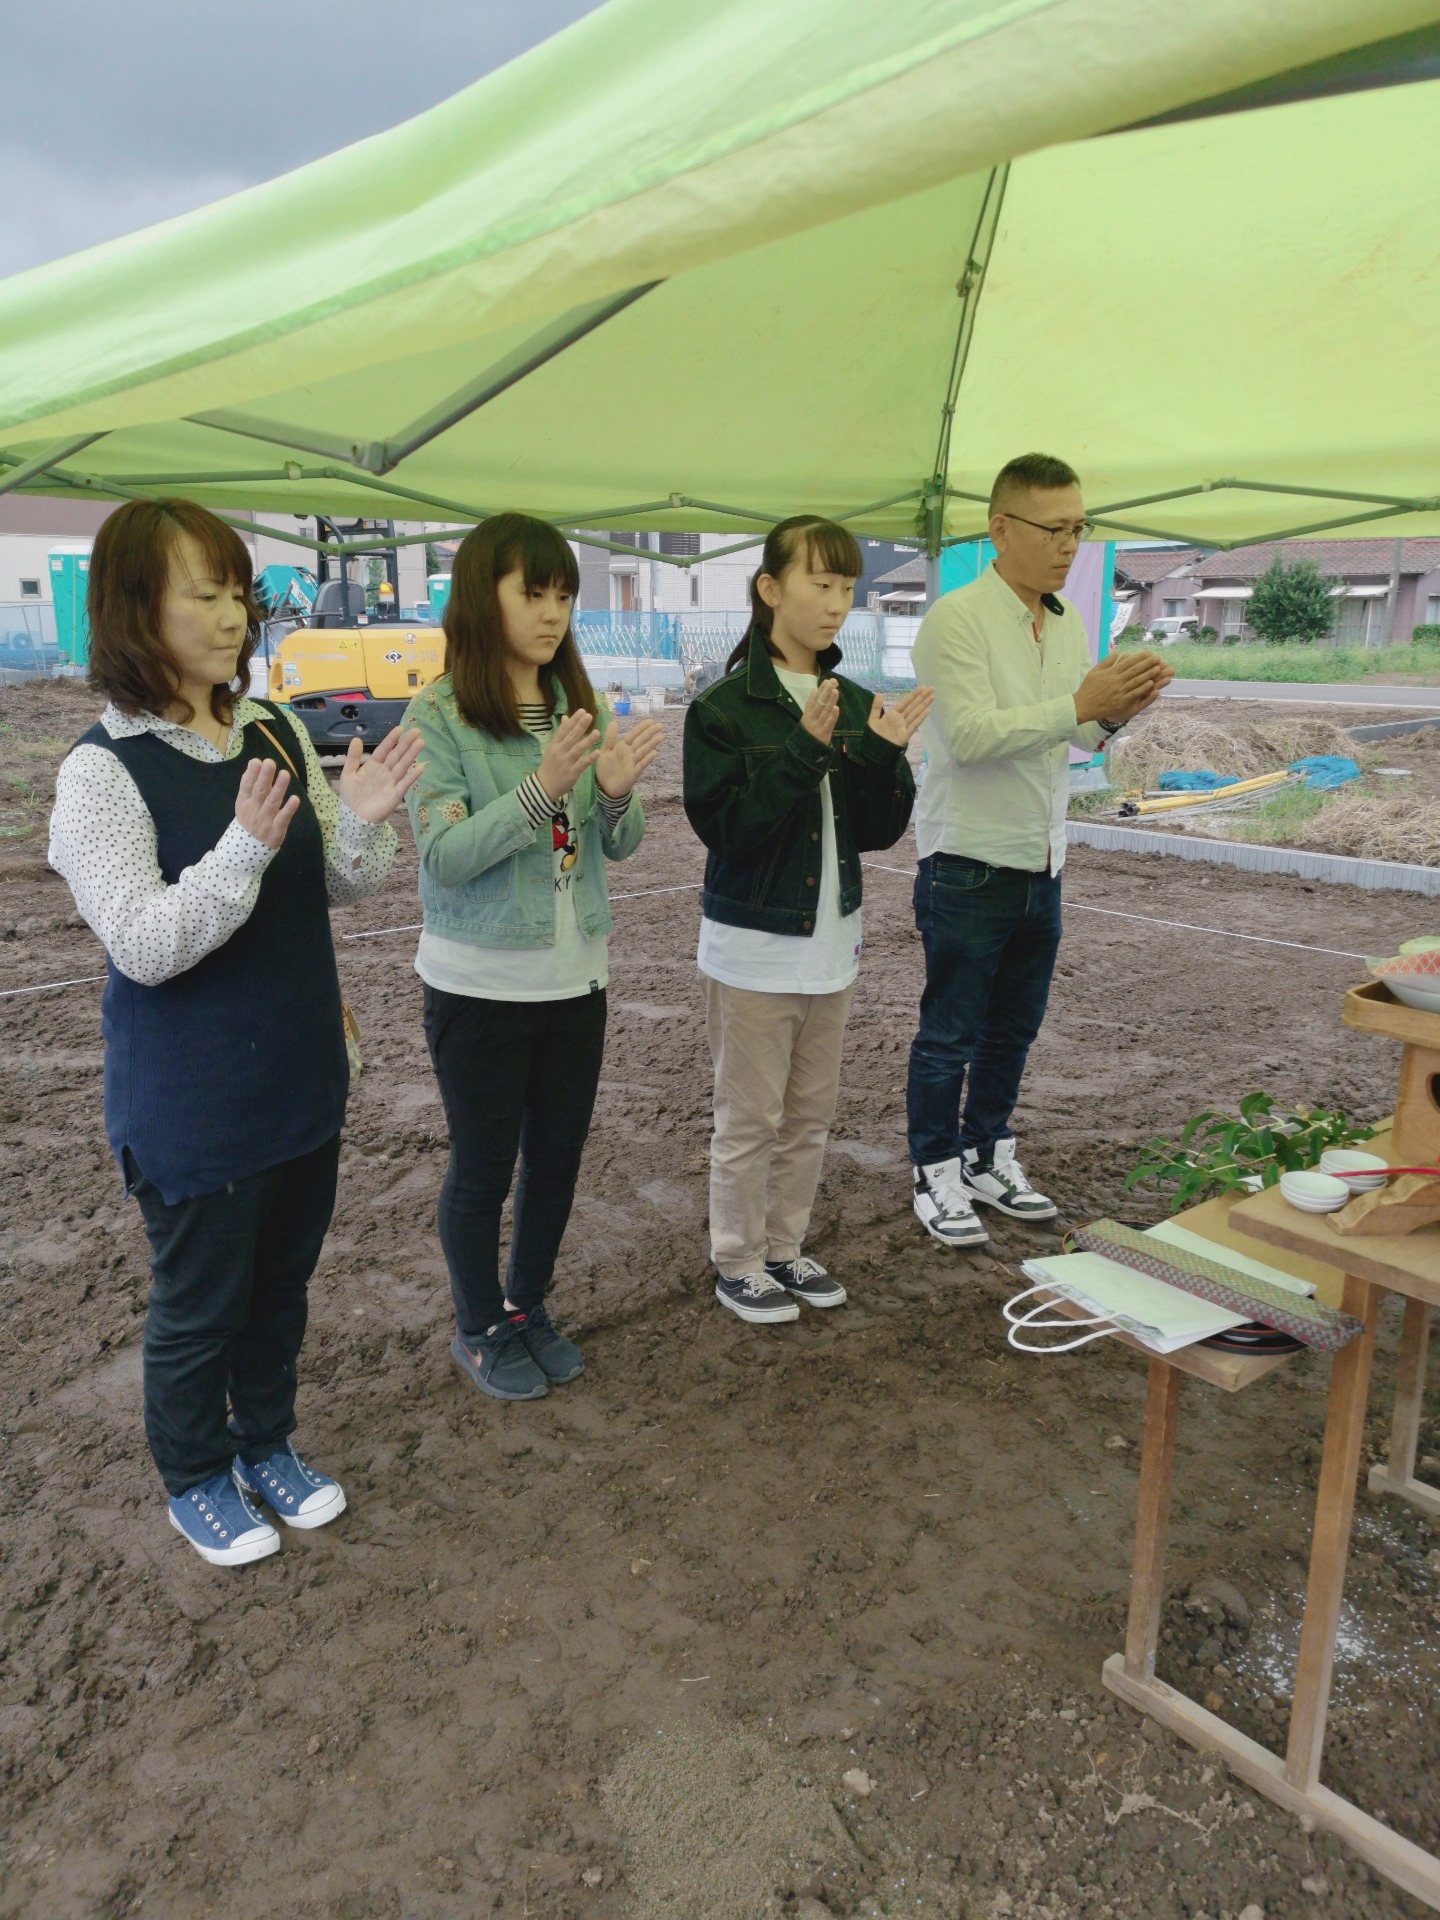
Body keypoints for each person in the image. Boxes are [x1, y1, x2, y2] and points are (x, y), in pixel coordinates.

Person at [49, 498, 421, 1567]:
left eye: (239, 595)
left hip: (301, 1074)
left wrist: (362, 818)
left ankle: (266, 1444)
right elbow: (143, 943)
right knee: (200, 1306)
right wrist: (242, 851)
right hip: (194, 1104)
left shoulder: (274, 729)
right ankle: (197, 1476)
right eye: (202, 595)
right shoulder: (100, 773)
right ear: (134, 609)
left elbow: (337, 884)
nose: (232, 618)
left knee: (279, 1290)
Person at [404, 513, 663, 1401]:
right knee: (482, 1167)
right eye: (533, 593)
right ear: (486, 598)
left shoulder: (573, 706)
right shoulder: (438, 714)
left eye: (563, 595)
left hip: (574, 978)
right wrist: (541, 788)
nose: (552, 613)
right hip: (479, 983)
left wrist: (615, 796)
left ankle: (527, 1306)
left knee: (556, 1161)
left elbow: (615, 844)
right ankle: (478, 1324)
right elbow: (444, 856)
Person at [906, 453, 1171, 1248]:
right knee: (949, 1033)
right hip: (967, 861)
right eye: (1055, 529)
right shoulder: (955, 619)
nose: (1069, 545)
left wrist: (1117, 708)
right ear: (1001, 530)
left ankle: (987, 1153)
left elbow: (1078, 735)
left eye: (1078, 529)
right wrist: (1078, 703)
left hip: (1041, 860)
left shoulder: (1066, 622)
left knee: (1013, 1029)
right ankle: (934, 1169)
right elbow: (969, 735)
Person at [684, 516, 933, 1324]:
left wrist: (885, 757)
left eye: (846, 588)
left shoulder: (855, 701)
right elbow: (731, 831)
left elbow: (875, 832)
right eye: (820, 584)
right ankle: (738, 1259)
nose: (836, 604)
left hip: (832, 949)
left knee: (810, 1118)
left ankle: (784, 1248)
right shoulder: (723, 708)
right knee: (749, 1120)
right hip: (754, 953)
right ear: (770, 589)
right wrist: (802, 749)